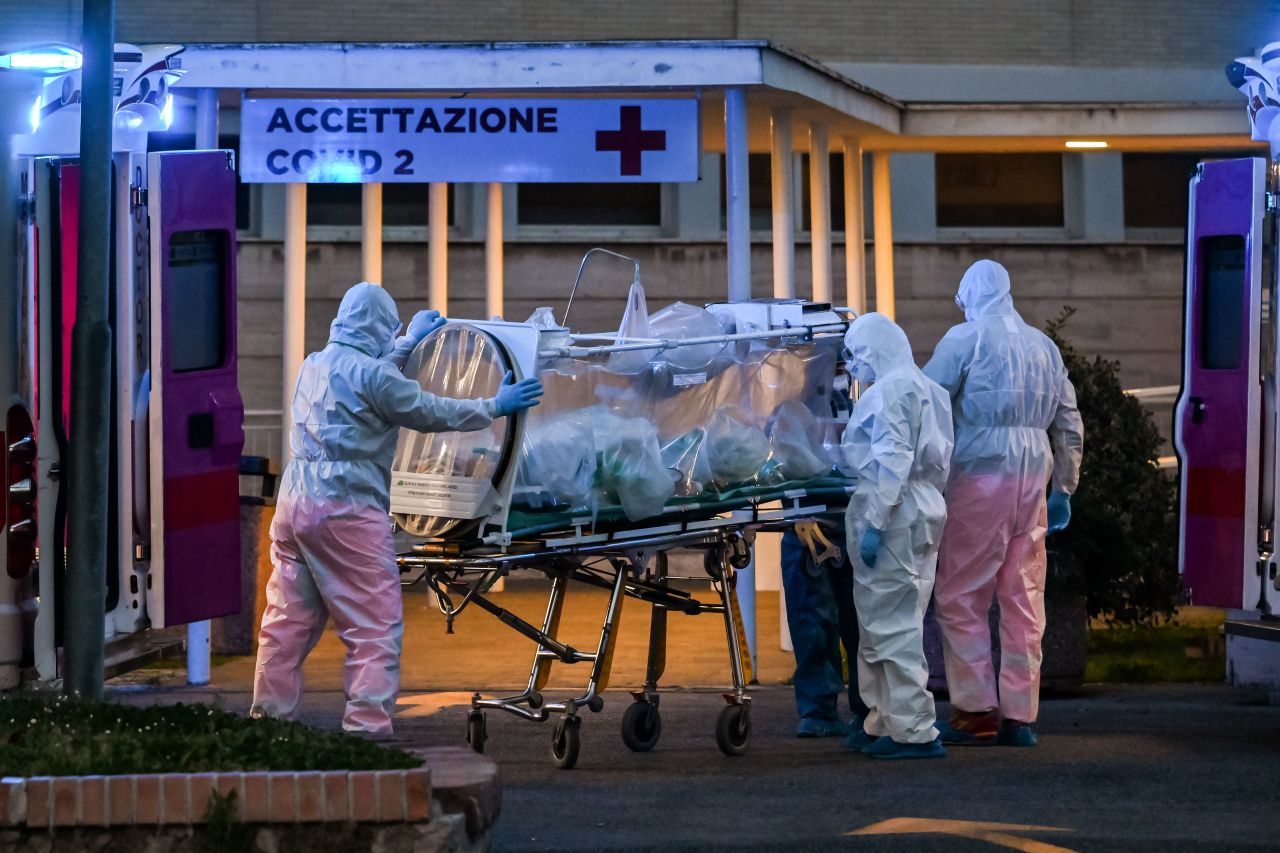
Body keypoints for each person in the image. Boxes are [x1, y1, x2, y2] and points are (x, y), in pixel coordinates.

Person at [251, 282, 543, 736]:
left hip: (295, 505)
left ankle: (267, 721)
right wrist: (494, 405)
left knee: (285, 625)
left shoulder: (315, 365)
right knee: (373, 628)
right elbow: (427, 409)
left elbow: (368, 380)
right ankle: (367, 730)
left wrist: (407, 342)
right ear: (381, 328)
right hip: (346, 509)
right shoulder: (376, 377)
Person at [923, 260, 1084, 748]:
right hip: (1034, 475)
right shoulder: (1044, 346)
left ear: (971, 295)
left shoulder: (964, 341)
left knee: (961, 593)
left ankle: (976, 711)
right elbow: (1070, 422)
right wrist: (1065, 490)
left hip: (978, 474)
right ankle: (1020, 715)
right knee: (1023, 595)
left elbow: (924, 401)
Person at [839, 312, 954, 760]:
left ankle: (913, 729)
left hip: (893, 511)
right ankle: (884, 720)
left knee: (891, 625)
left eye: (858, 355)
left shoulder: (890, 391)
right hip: (924, 507)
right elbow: (940, 461)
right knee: (893, 619)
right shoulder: (928, 388)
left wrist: (877, 521)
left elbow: (892, 460)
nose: (854, 367)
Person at [780, 525, 869, 738]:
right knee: (818, 625)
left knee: (857, 625)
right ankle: (830, 712)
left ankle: (827, 712)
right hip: (823, 520)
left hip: (823, 517)